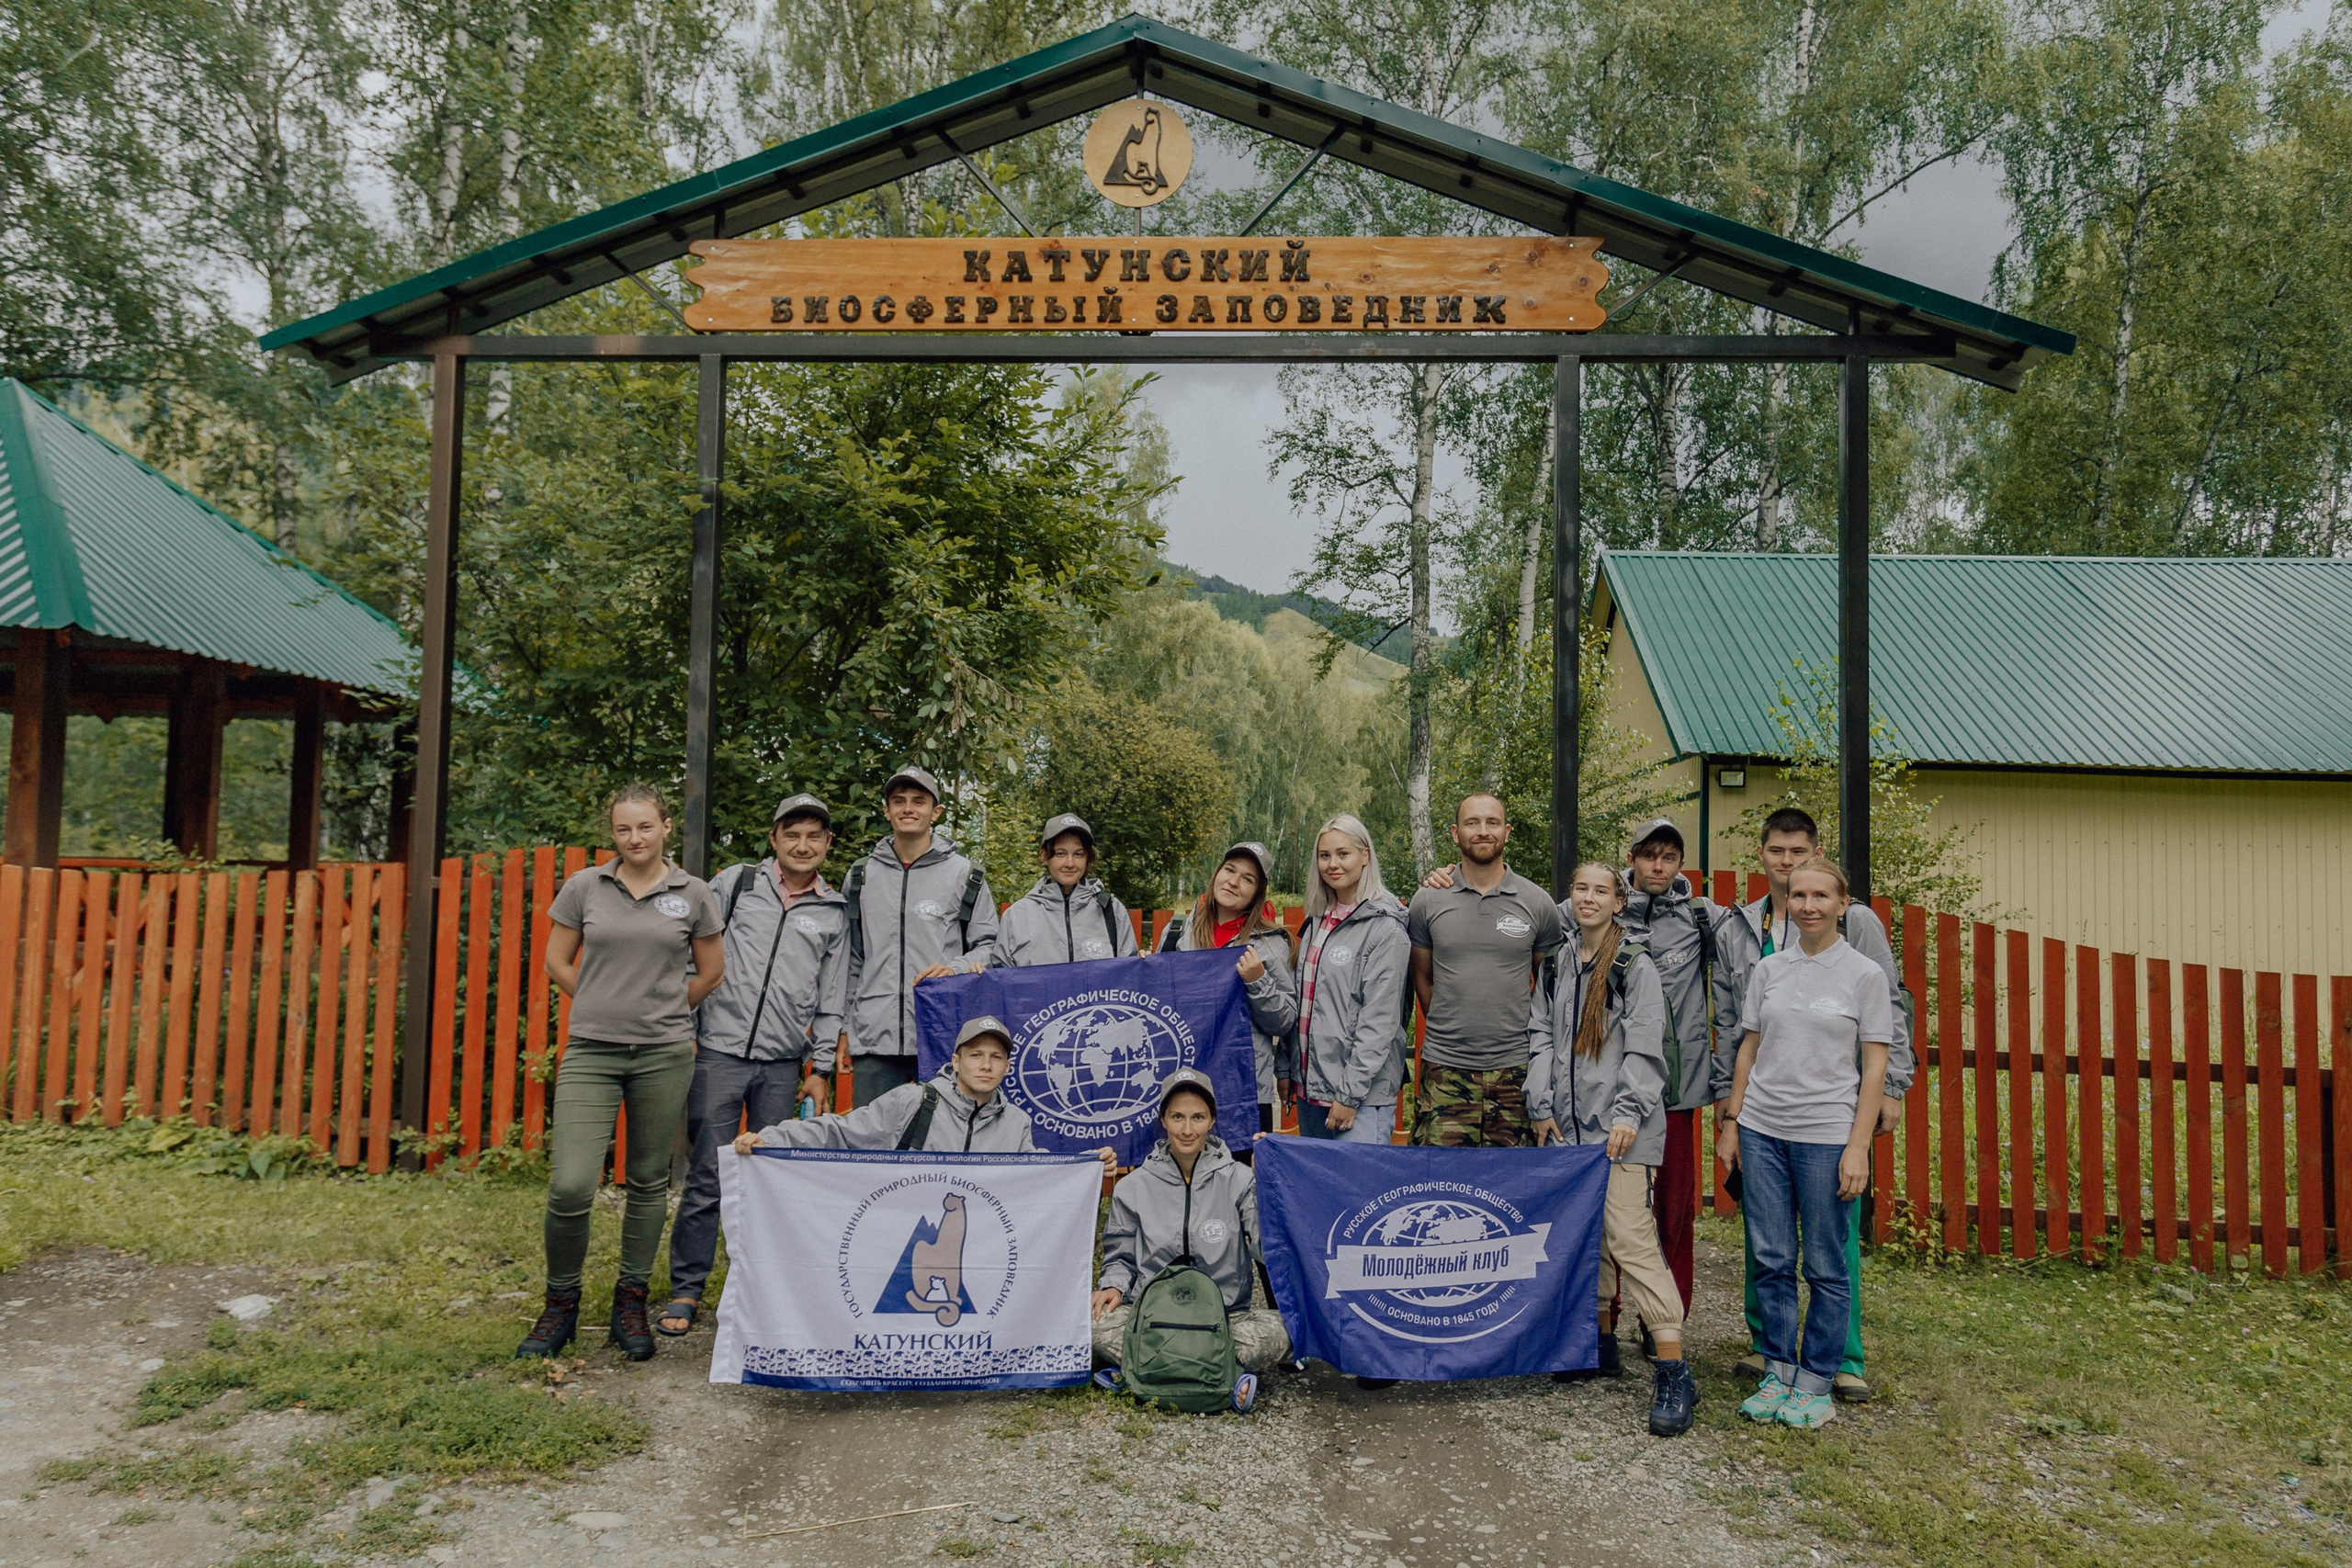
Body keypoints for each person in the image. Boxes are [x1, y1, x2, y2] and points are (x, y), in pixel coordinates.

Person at [1714, 806, 1915, 1402]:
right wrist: (1731, 1113)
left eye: (1800, 853)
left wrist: (1893, 1088)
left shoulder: (1859, 930)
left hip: (1831, 1112)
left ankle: (1837, 1361)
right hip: (1763, 1117)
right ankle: (1772, 1354)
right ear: (1763, 855)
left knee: (1832, 1246)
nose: (1789, 865)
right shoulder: (1744, 929)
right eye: (1777, 852)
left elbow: (1889, 1015)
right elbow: (1737, 1029)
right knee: (1767, 1244)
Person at [518, 784, 724, 1364]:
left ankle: (629, 1303)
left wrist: (662, 1009)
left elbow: (711, 972)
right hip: (592, 1053)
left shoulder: (693, 894)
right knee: (571, 1185)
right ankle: (560, 1303)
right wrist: (602, 999)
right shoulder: (587, 886)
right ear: (613, 834)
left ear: (664, 828)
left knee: (647, 1181)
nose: (635, 838)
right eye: (623, 829)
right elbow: (556, 960)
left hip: (663, 1054)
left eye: (644, 827)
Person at [661, 791, 850, 1337]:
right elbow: (690, 952)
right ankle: (687, 1289)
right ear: (774, 839)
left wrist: (820, 1067)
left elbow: (832, 996)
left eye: (814, 835)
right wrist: (688, 1026)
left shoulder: (834, 911)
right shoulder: (737, 884)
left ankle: (764, 1293)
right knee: (708, 1173)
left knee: (772, 1179)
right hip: (718, 1052)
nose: (802, 844)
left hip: (782, 1063)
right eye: (792, 834)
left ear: (827, 844)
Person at [1527, 862, 1695, 1437]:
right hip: (1567, 1127)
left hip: (1624, 1127)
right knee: (1588, 1235)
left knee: (1629, 1237)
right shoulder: (1560, 963)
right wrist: (1540, 1103)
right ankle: (1597, 1342)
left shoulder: (1634, 965)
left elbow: (1646, 1048)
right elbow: (1541, 1035)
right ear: (1569, 899)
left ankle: (1673, 1369)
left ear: (1619, 901)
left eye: (1602, 890)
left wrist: (1628, 1114)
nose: (1590, 898)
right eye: (1580, 889)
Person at [1091, 1069, 1290, 1411]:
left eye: (1198, 1117)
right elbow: (1120, 1254)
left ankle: (1141, 1374)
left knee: (1289, 1330)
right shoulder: (1134, 1186)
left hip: (1223, 1320)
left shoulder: (1239, 1179)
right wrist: (1113, 1285)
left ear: (1212, 1120)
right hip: (1152, 1317)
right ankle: (1223, 1378)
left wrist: (1267, 1185)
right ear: (1163, 1121)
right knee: (1086, 1321)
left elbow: (1264, 1247)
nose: (1187, 1129)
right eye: (1177, 1117)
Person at [1614, 818, 1734, 1329]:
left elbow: (1771, 929)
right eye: (1648, 856)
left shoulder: (1704, 918)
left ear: (1679, 863)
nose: (1657, 866)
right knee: (1613, 1210)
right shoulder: (1603, 909)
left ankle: (1664, 1320)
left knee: (1673, 1214)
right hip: (1612, 1090)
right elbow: (1532, 921)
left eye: (1668, 857)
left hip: (1677, 1092)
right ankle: (1604, 1317)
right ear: (1632, 860)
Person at [1405, 793, 1562, 1147]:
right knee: (1442, 1184)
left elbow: (1549, 989)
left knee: (1512, 1187)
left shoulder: (1537, 903)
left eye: (1492, 823)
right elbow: (1422, 979)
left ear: (1507, 832)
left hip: (1516, 1070)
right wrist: (1453, 1023)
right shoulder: (1428, 900)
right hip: (1446, 1068)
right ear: (1455, 833)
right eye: (1472, 823)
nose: (1483, 831)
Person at [841, 764, 1000, 1107]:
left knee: (942, 1144)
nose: (908, 808)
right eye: (898, 801)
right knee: (875, 1146)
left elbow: (991, 947)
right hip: (874, 1036)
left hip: (941, 1034)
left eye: (919, 801)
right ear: (886, 810)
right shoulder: (860, 876)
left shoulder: (965, 875)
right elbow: (851, 959)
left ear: (936, 812)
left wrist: (954, 968)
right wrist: (844, 1029)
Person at [1158, 841, 1298, 1139]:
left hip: (1244, 1092)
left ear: (1258, 892)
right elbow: (1157, 1007)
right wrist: (1148, 971)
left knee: (1240, 1183)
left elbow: (1285, 1022)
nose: (1234, 882)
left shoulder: (1271, 944)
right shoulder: (1177, 932)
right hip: (1183, 1087)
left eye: (1248, 879)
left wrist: (1258, 981)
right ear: (1217, 873)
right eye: (1230, 870)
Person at [1286, 814, 1409, 1146]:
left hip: (1359, 1100)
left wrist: (1349, 1095)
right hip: (1313, 1093)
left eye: (1343, 854)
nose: (1332, 864)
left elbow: (1380, 1022)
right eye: (1324, 856)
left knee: (1361, 1195)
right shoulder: (1317, 922)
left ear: (1365, 855)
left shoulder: (1385, 927)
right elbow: (1304, 1007)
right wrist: (1292, 1073)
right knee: (1321, 1196)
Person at [992, 813, 1140, 965]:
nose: (1070, 863)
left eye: (1078, 854)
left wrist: (1145, 962)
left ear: (1088, 858)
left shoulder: (1111, 910)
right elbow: (1002, 980)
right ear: (1044, 856)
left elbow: (1128, 975)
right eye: (1060, 854)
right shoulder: (1017, 915)